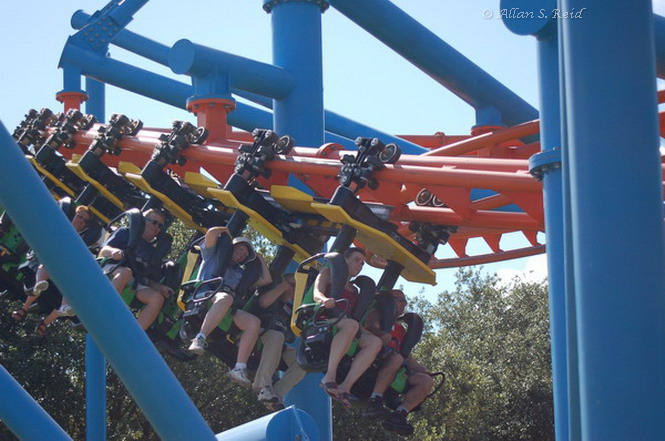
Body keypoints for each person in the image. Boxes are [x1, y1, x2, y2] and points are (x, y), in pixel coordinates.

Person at [187, 226, 272, 387]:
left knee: (254, 323)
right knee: (225, 298)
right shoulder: (213, 255)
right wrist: (225, 230)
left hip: (226, 304)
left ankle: (239, 367)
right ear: (231, 248)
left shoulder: (240, 273)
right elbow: (211, 234)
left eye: (245, 255)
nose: (241, 255)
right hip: (205, 295)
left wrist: (259, 258)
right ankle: (199, 338)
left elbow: (266, 280)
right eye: (239, 249)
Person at [315, 247, 382, 408]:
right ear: (344, 260)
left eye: (362, 263)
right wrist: (325, 300)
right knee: (351, 325)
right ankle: (329, 377)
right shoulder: (329, 273)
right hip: (325, 317)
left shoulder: (354, 290)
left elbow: (353, 320)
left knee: (375, 343)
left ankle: (345, 387)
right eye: (356, 260)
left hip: (346, 323)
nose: (360, 265)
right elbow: (317, 292)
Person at [11, 205, 92, 335]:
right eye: (79, 216)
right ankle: (26, 306)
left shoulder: (81, 241)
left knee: (71, 288)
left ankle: (47, 320)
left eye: (85, 220)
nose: (81, 220)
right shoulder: (59, 227)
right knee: (48, 266)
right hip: (47, 259)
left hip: (64, 270)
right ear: (73, 216)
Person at [363, 289, 434, 436]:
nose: (403, 304)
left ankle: (400, 414)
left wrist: (424, 370)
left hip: (395, 366)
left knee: (426, 381)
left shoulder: (400, 329)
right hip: (374, 360)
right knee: (396, 358)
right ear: (389, 300)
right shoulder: (377, 314)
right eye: (399, 300)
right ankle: (375, 399)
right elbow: (370, 327)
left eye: (405, 301)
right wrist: (382, 335)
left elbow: (406, 356)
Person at [98, 208, 174, 331]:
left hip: (135, 281)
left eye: (160, 226)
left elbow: (148, 280)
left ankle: (135, 333)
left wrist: (160, 287)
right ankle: (106, 309)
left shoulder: (153, 252)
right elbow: (103, 251)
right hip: (113, 269)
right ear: (143, 221)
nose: (156, 228)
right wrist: (114, 252)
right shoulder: (126, 232)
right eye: (154, 222)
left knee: (157, 298)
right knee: (125, 273)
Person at [253, 273, 307, 410]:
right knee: (277, 336)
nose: (294, 290)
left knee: (303, 362)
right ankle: (262, 385)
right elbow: (263, 302)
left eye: (297, 287)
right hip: (259, 335)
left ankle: (275, 394)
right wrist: (283, 287)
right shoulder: (273, 296)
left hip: (277, 344)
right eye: (293, 286)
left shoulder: (292, 310)